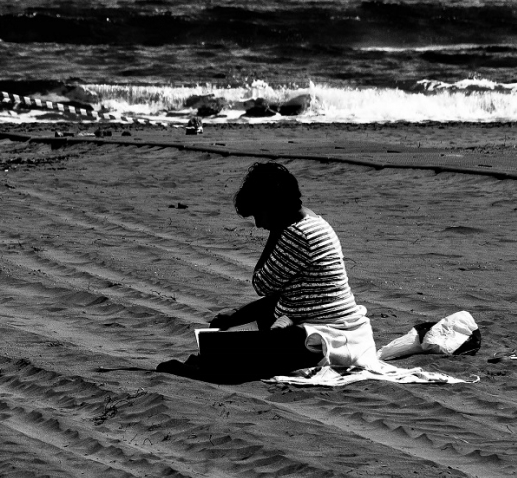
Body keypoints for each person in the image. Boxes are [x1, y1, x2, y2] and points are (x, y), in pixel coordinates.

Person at [159, 161, 378, 380]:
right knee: (228, 328)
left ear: (274, 207)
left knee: (228, 356)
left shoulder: (296, 234)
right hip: (337, 331)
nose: (258, 224)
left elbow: (261, 283)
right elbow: (279, 295)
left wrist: (276, 231)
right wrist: (237, 314)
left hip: (328, 337)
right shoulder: (313, 222)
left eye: (259, 215)